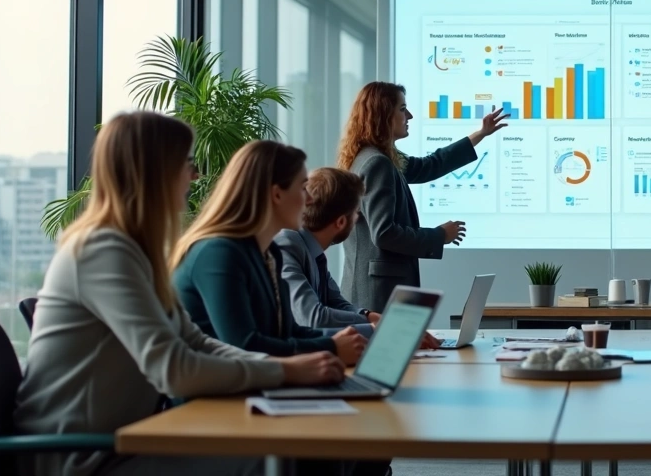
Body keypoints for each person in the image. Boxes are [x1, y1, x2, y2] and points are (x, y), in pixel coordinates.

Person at [14, 112, 342, 476]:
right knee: (268, 459)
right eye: (187, 163)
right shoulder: (102, 251)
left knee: (281, 452)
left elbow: (194, 341)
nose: (195, 175)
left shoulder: (134, 251)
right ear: (156, 172)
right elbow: (173, 369)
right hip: (77, 459)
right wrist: (283, 372)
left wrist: (282, 368)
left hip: (121, 442)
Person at [172, 141, 368, 367]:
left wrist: (352, 341)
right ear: (277, 194)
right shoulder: (219, 253)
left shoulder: (269, 252)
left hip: (251, 388)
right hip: (211, 399)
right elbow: (245, 345)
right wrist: (332, 347)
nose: (311, 200)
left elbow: (288, 333)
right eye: (303, 188)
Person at [338, 81, 509, 312]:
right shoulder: (377, 163)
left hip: (377, 289)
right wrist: (439, 235)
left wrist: (479, 135)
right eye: (402, 109)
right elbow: (384, 233)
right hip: (378, 293)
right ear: (383, 114)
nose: (409, 115)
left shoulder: (377, 157)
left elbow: (429, 166)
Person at [274, 166, 439, 348]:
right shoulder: (286, 246)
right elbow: (314, 317)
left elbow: (336, 302)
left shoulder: (312, 250)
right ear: (341, 222)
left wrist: (373, 317)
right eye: (356, 213)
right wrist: (382, 330)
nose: (357, 219)